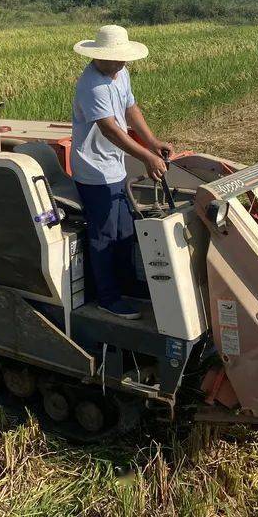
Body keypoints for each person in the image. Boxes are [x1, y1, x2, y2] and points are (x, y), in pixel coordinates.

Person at [70, 25, 172, 320]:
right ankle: (108, 298)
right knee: (103, 235)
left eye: (123, 59)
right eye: (115, 59)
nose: (121, 64)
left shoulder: (119, 74)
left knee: (125, 230)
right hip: (93, 169)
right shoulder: (92, 85)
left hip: (114, 165)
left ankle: (127, 285)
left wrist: (152, 142)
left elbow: (130, 109)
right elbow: (110, 130)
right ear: (98, 56)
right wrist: (146, 157)